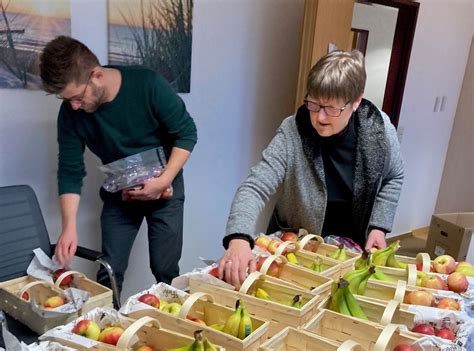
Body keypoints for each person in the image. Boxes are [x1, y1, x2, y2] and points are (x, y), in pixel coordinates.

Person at [218, 50, 404, 286]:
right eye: (314, 104)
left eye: (332, 108)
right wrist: (238, 238)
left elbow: (394, 176)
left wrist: (379, 226)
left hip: (350, 248)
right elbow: (255, 186)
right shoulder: (293, 130)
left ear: (356, 101)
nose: (320, 117)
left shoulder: (379, 130)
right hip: (295, 246)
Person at [39, 36, 197, 295]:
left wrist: (165, 180)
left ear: (96, 75)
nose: (74, 106)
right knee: (108, 271)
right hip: (120, 193)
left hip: (165, 185)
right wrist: (69, 228)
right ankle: (107, 327)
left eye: (77, 97)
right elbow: (70, 170)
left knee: (164, 268)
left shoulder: (148, 84)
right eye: (66, 100)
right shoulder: (71, 113)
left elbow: (187, 133)